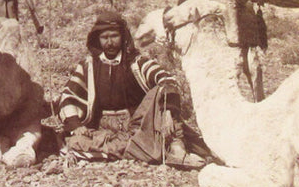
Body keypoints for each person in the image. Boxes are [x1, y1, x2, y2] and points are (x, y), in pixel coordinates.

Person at [56, 9, 205, 167]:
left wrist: (168, 110)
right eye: (104, 37)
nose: (110, 42)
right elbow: (68, 96)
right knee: (75, 141)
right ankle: (141, 150)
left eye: (114, 36)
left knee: (162, 91)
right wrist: (76, 126)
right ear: (97, 39)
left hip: (138, 125)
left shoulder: (136, 63)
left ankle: (177, 150)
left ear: (123, 37)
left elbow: (166, 79)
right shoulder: (89, 65)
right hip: (102, 129)